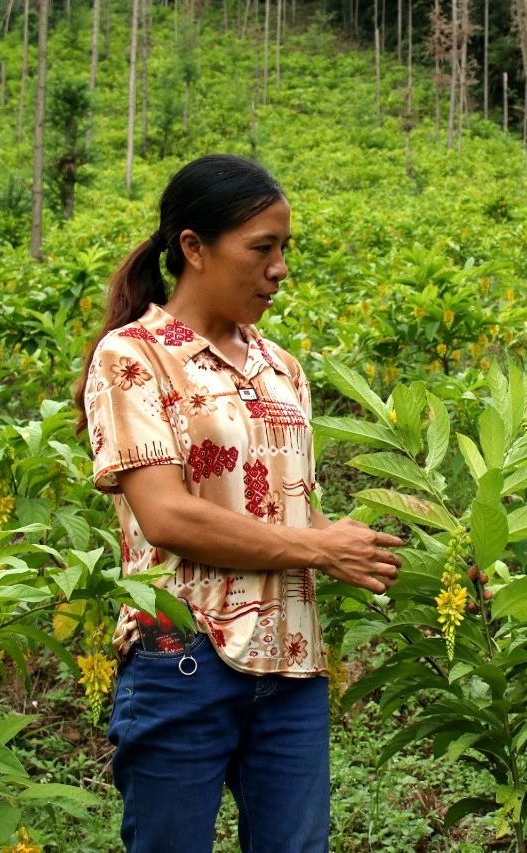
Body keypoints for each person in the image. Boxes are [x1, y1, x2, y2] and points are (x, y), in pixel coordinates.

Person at [74, 153, 405, 853]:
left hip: (292, 667)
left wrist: (369, 549)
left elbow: (296, 511)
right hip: (182, 658)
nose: (280, 267)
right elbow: (166, 516)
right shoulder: (132, 357)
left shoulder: (281, 367)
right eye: (262, 247)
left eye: (285, 248)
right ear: (193, 247)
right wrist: (318, 547)